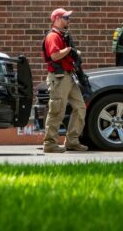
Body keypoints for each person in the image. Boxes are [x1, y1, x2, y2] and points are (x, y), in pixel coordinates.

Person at [41, 8, 88, 153]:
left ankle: (72, 141)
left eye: (68, 17)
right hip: (59, 78)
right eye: (65, 17)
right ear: (56, 19)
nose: (68, 20)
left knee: (80, 107)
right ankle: (50, 143)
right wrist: (69, 50)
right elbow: (55, 56)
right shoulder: (53, 37)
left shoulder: (63, 36)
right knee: (57, 110)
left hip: (68, 76)